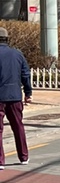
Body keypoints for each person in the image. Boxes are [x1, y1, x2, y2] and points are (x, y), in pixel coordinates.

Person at [0, 28, 32, 167]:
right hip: (14, 95)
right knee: (18, 126)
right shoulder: (17, 54)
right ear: (7, 39)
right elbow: (25, 74)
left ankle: (0, 160)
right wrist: (28, 93)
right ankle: (24, 156)